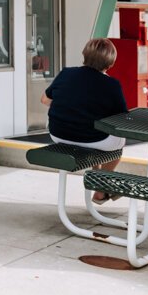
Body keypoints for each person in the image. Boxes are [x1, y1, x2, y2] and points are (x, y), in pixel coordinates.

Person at [41, 37, 128, 202]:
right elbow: (121, 119)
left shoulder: (66, 73)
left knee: (91, 128)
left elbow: (44, 100)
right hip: (93, 139)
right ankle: (102, 184)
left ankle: (98, 177)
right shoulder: (111, 85)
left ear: (84, 55)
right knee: (119, 142)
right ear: (110, 64)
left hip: (59, 134)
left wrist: (69, 104)